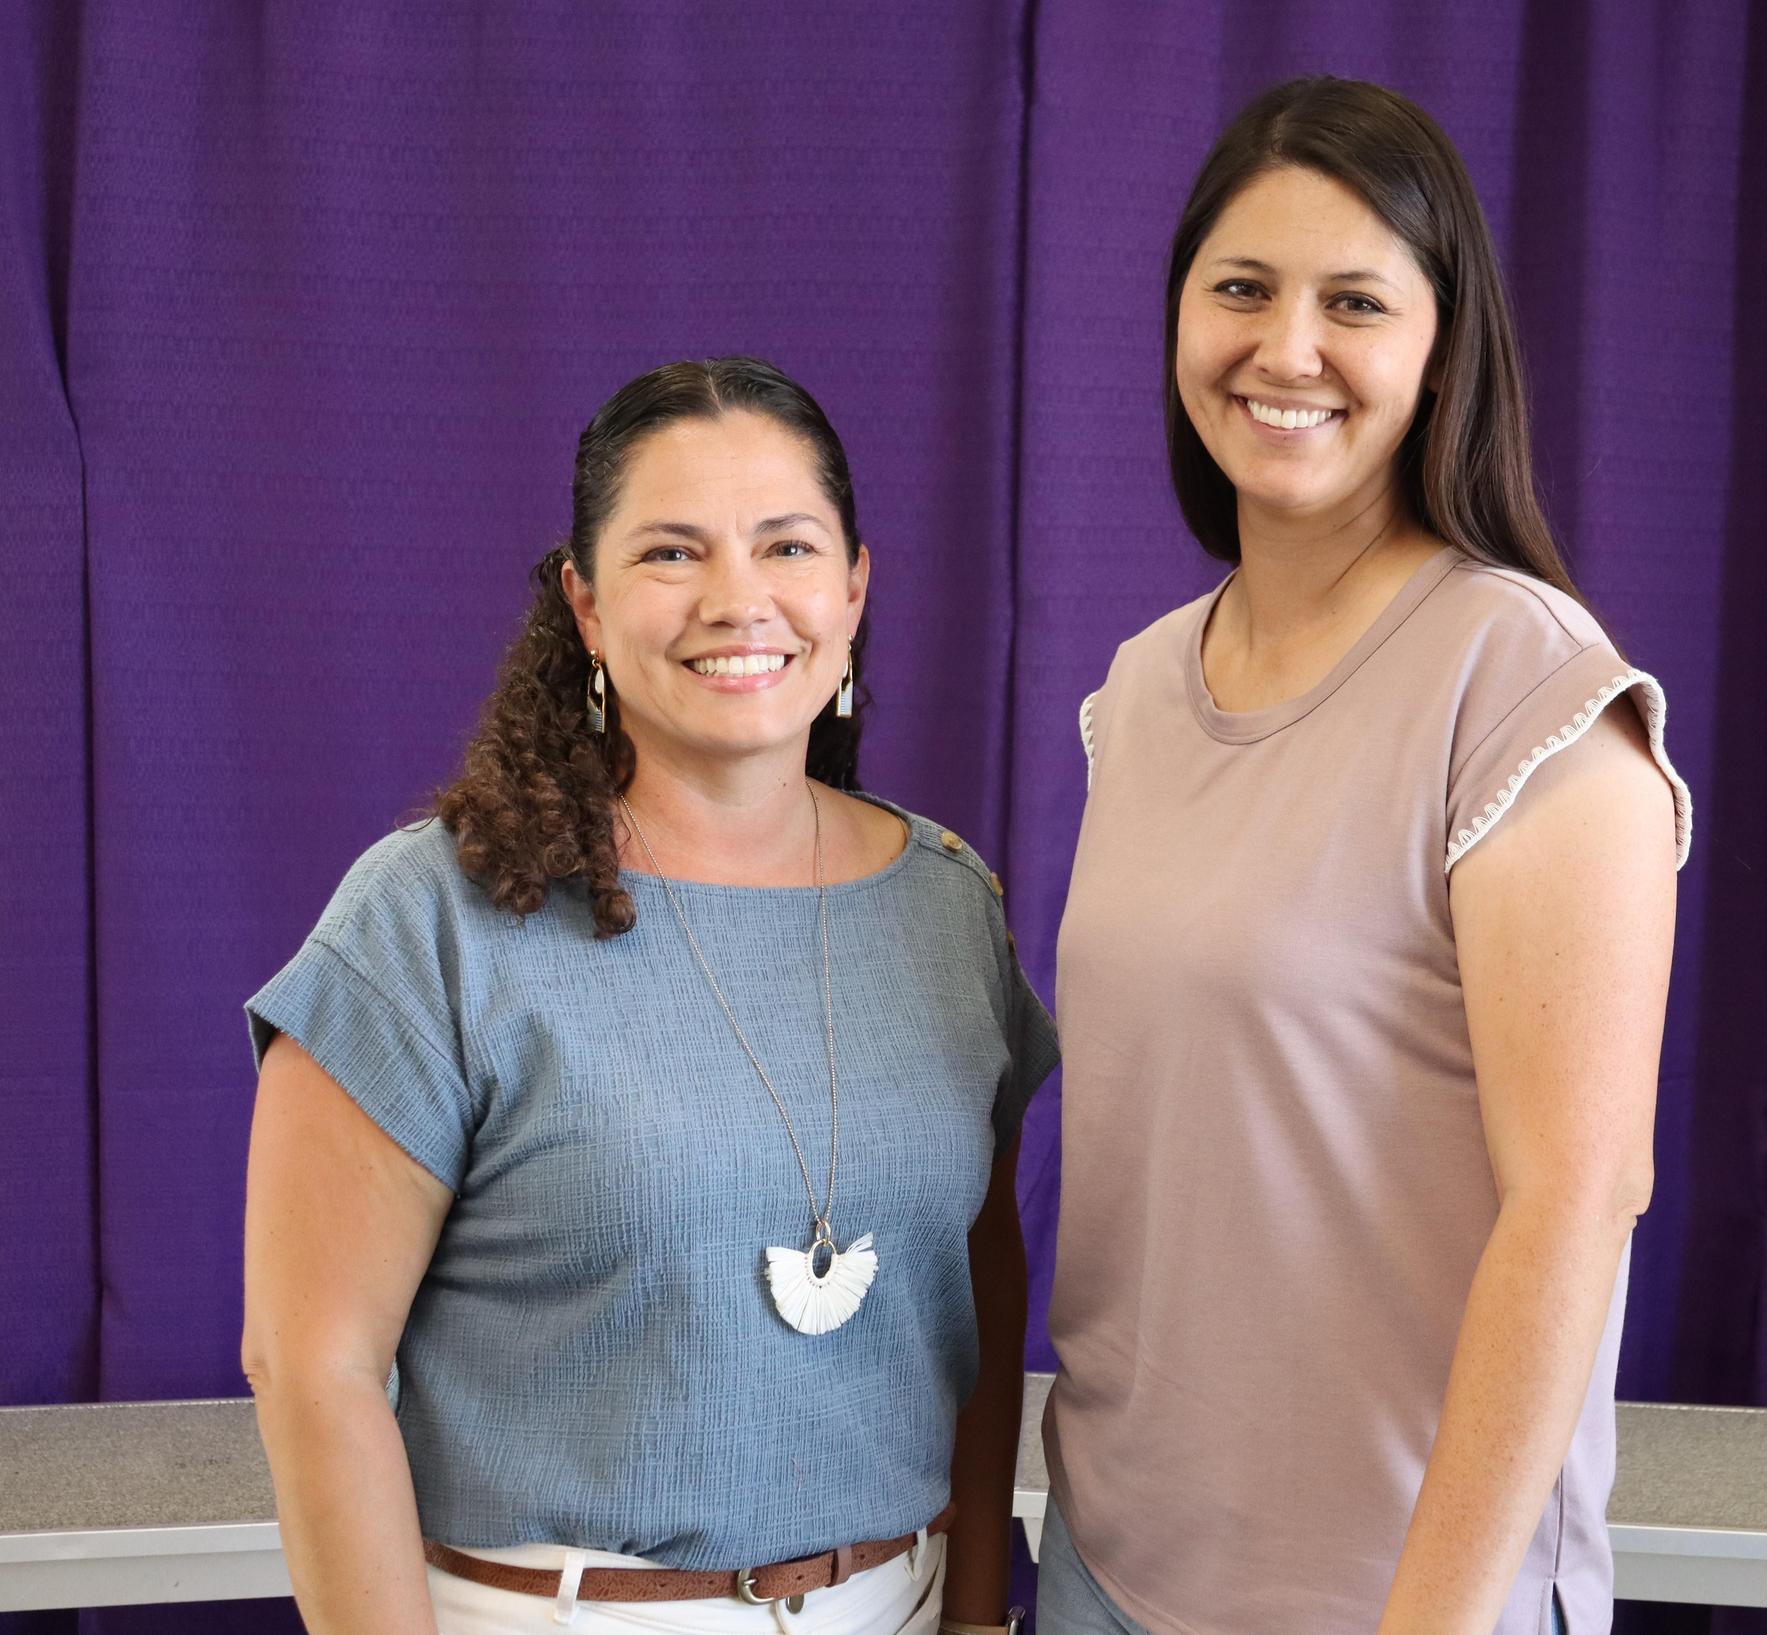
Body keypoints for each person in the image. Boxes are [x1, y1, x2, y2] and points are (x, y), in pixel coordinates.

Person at [241, 357, 1053, 1635]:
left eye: (785, 545)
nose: (739, 600)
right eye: (672, 553)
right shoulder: (434, 918)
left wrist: (980, 1615)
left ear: (852, 586)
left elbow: (979, 1285)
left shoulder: (950, 906)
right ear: (584, 603)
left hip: (903, 1603)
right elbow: (311, 1368)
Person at [1040, 78, 1690, 1635]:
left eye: (1355, 302)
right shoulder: (1138, 688)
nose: (1287, 350)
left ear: (1440, 350)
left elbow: (1580, 1198)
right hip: (1110, 1563)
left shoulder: (1520, 678)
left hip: (1395, 1595)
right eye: (1241, 290)